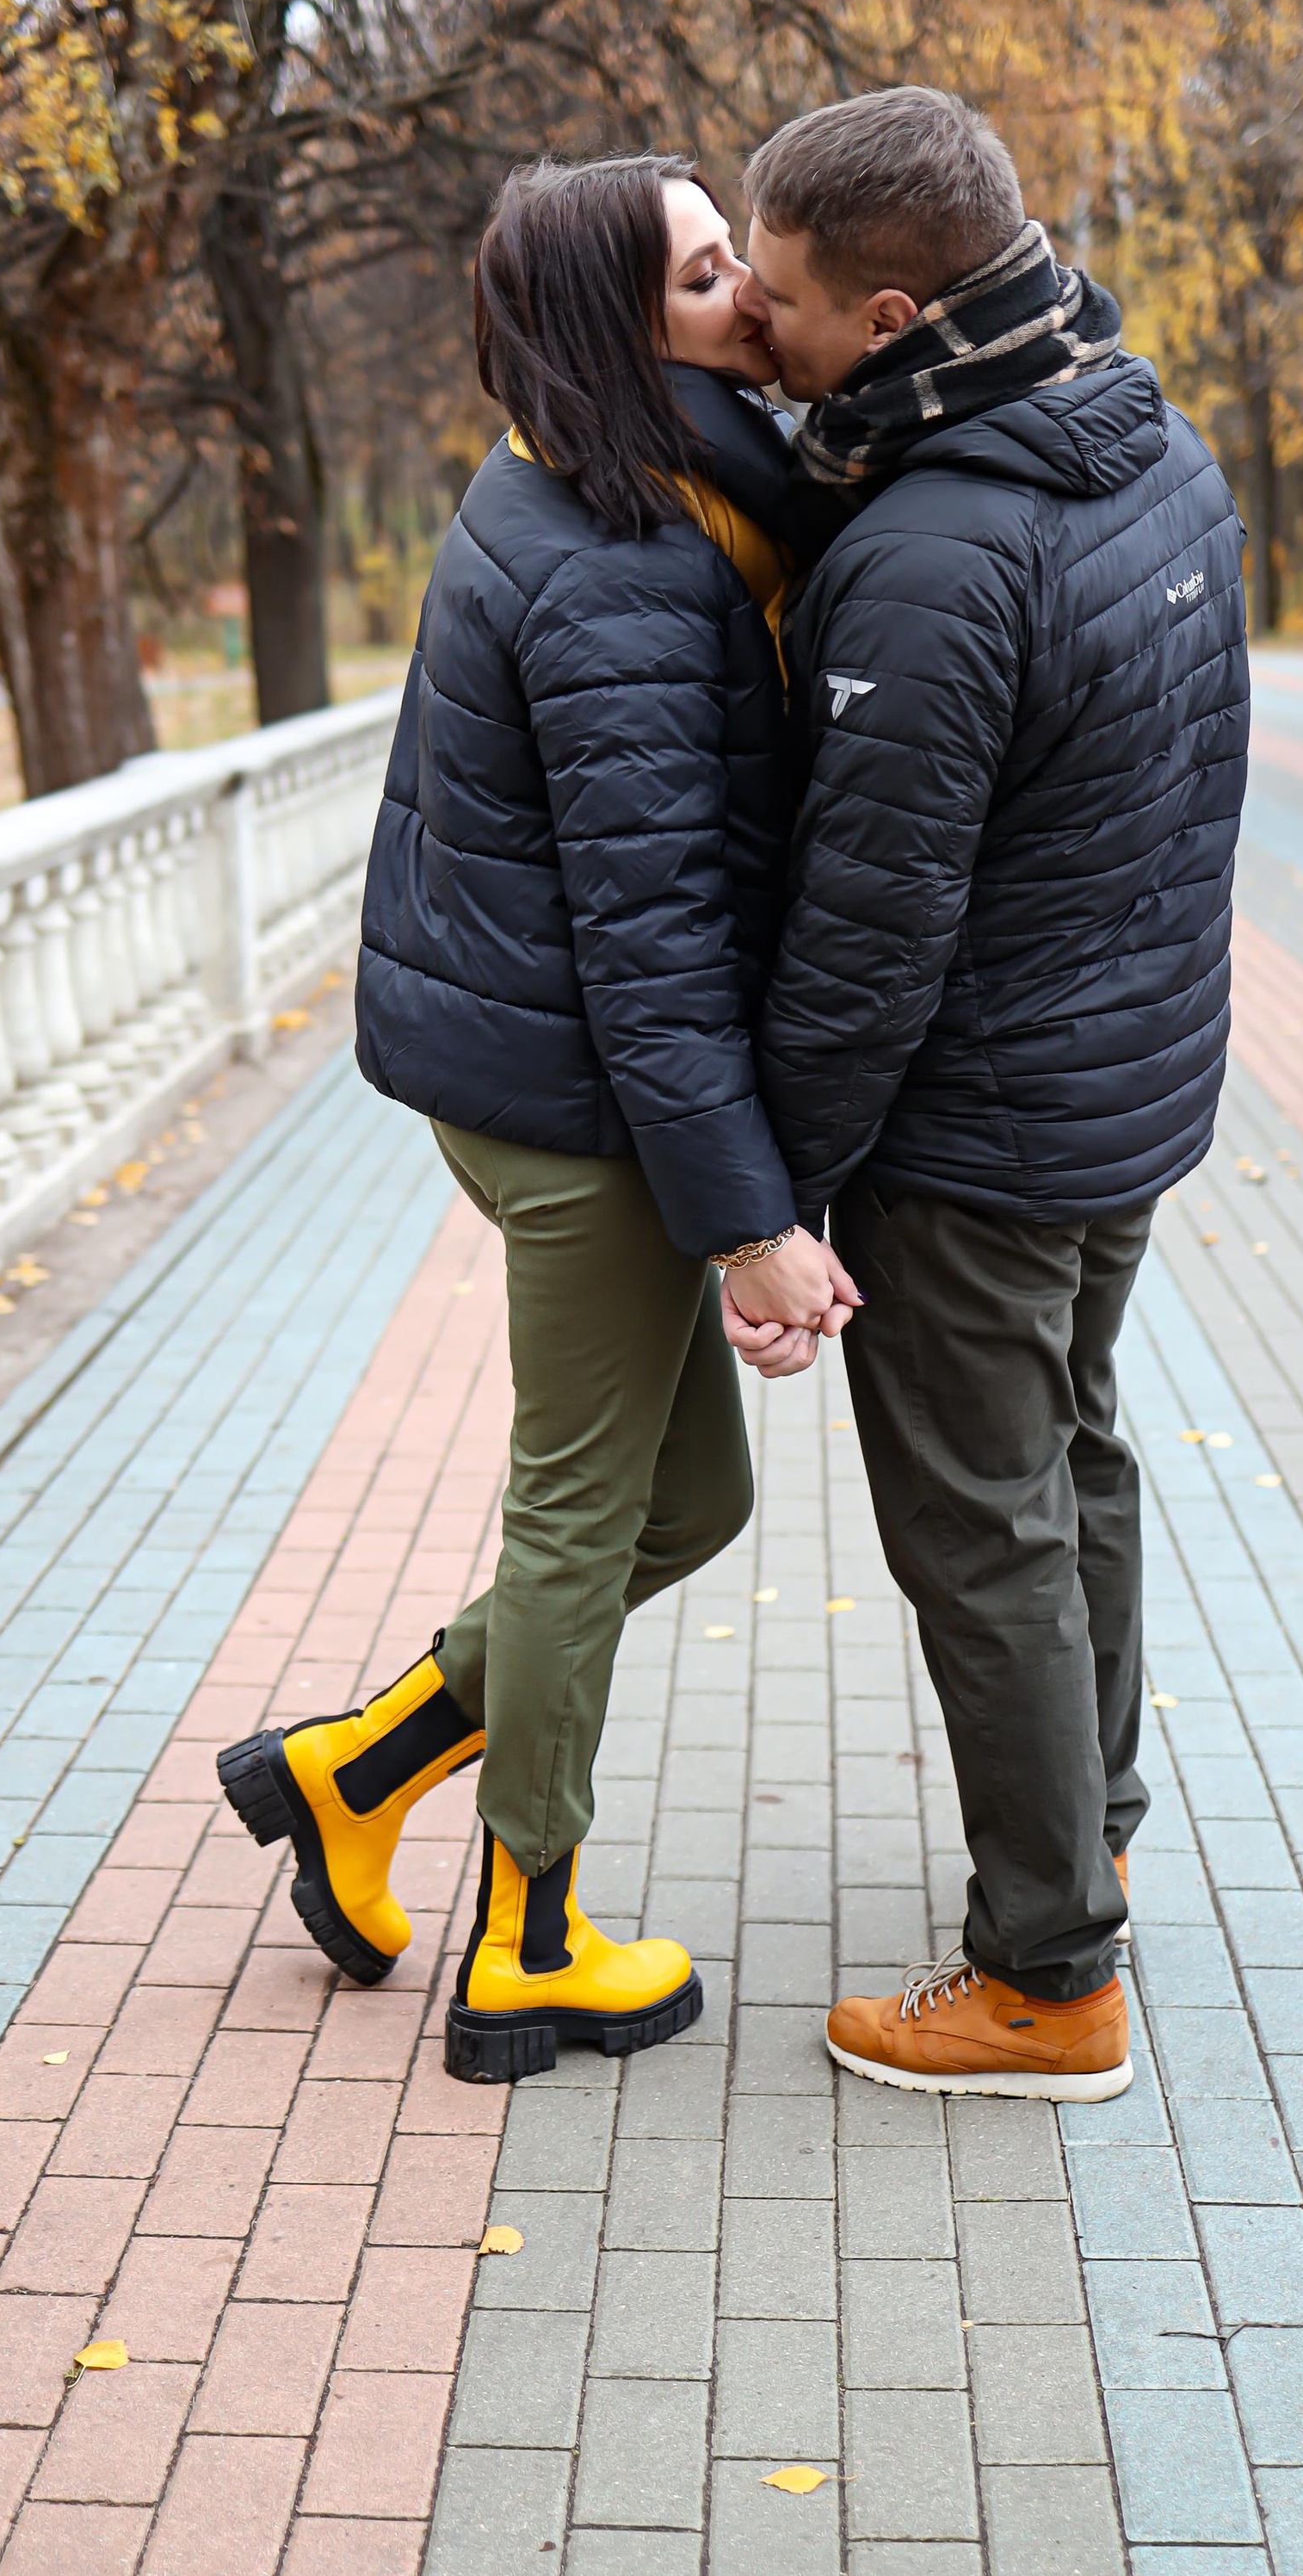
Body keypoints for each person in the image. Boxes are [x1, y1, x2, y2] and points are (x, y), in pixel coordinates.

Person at [219, 152, 859, 2084]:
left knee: (690, 1498)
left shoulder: (636, 491)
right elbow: (651, 949)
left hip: (553, 1078)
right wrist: (752, 1220)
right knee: (583, 1514)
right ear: (616, 330)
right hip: (586, 1106)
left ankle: (358, 1767)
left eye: (732, 255)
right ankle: (531, 1938)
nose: (749, 290)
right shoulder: (622, 577)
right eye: (699, 277)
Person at [725, 83, 1248, 2105]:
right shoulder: (1141, 434)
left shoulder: (935, 550)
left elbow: (863, 939)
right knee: (1075, 1456)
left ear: (882, 305)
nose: (755, 325)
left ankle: (1044, 1972)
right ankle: (1085, 1824)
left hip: (978, 1131)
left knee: (979, 1529)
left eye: (775, 294)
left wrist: (770, 1192)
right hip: (1119, 1081)